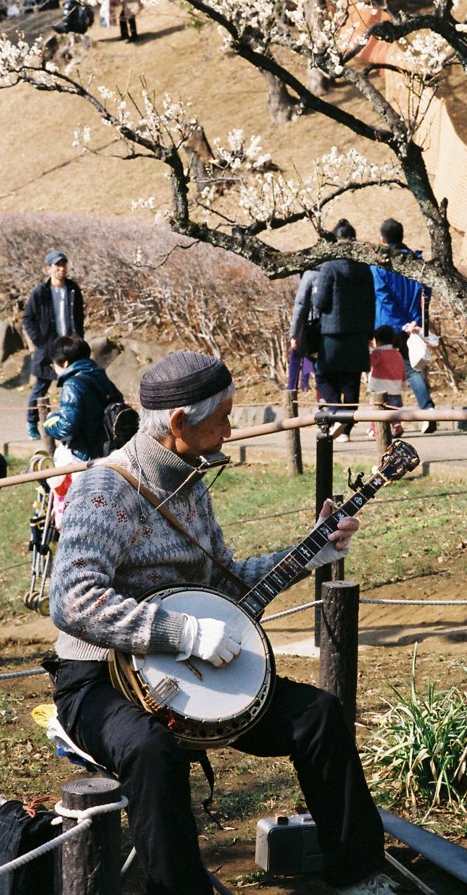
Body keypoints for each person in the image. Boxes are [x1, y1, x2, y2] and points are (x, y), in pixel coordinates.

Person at [47, 351, 395, 895]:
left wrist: (309, 554)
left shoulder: (191, 480)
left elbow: (226, 583)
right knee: (152, 751)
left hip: (195, 666)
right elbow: (71, 600)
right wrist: (180, 632)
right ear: (180, 423)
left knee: (318, 715)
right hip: (96, 679)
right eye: (223, 418)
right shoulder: (104, 491)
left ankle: (358, 873)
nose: (230, 431)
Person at [43, 335, 125, 528]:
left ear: (64, 362)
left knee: (79, 516)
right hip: (107, 451)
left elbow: (67, 428)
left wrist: (50, 423)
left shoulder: (73, 384)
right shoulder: (101, 376)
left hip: (83, 456)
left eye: (54, 364)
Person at [370, 218, 437, 433]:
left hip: (389, 327)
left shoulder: (380, 265)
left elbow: (384, 297)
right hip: (413, 324)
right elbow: (427, 291)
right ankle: (427, 411)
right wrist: (416, 320)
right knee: (411, 369)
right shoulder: (416, 261)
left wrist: (401, 324)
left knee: (386, 372)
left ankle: (392, 420)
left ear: (382, 239)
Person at [312, 220, 374, 442]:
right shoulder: (364, 268)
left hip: (332, 333)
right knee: (351, 380)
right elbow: (371, 301)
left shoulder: (329, 267)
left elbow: (319, 302)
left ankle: (338, 414)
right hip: (358, 333)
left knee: (323, 376)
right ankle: (346, 428)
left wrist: (313, 295)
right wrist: (369, 331)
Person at [22, 251, 85, 441]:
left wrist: (79, 339)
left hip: (69, 347)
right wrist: (40, 341)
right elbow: (27, 318)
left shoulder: (73, 289)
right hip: (47, 347)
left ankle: (72, 422)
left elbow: (79, 317)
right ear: (48, 268)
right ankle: (32, 423)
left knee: (75, 385)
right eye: (57, 265)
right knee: (41, 386)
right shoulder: (40, 292)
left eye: (64, 264)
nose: (61, 269)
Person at [366, 325, 406, 440]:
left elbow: (368, 364)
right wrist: (403, 385)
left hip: (379, 389)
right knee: (395, 412)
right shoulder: (398, 354)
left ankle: (375, 430)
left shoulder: (377, 353)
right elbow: (403, 370)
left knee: (376, 411)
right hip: (395, 389)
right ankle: (397, 426)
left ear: (377, 340)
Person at [288, 266, 320, 391]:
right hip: (326, 325)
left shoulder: (309, 275)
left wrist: (293, 333)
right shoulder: (332, 272)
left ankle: (292, 387)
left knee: (297, 351)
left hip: (309, 323)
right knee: (313, 357)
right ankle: (306, 384)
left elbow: (300, 305)